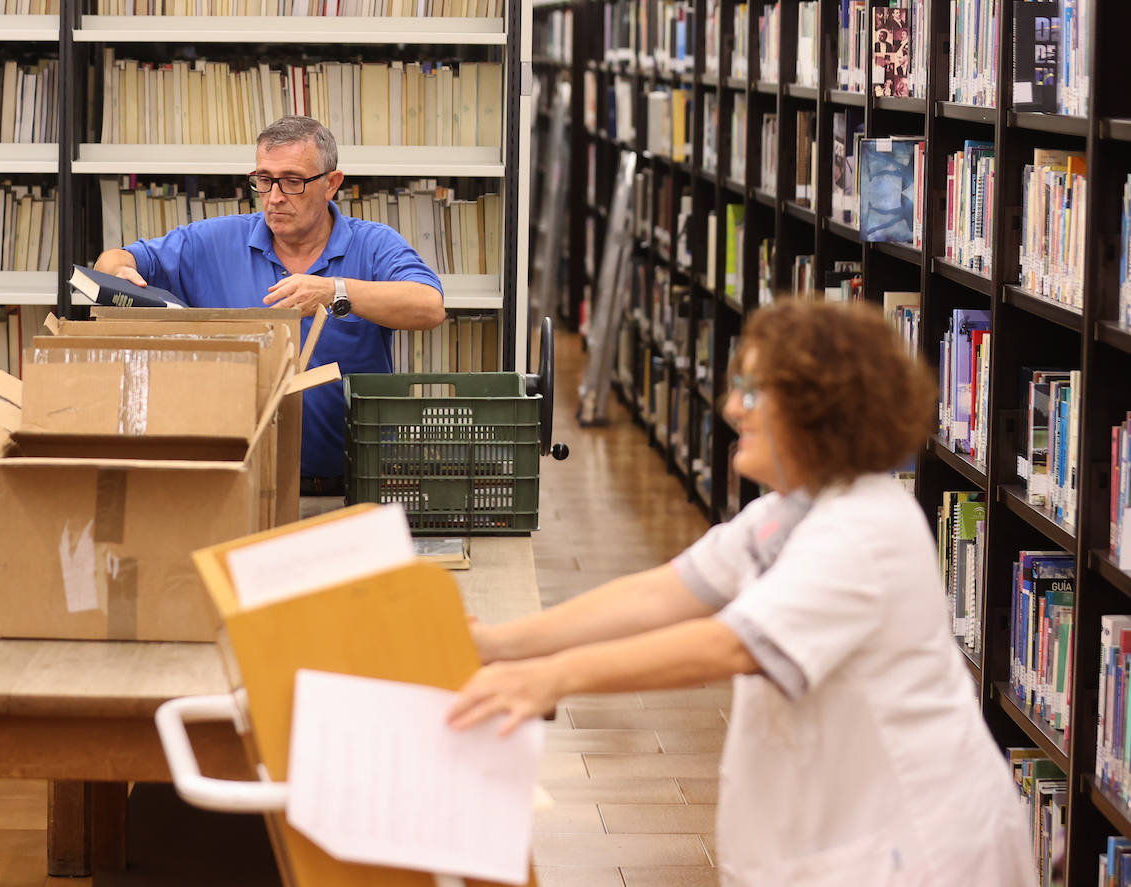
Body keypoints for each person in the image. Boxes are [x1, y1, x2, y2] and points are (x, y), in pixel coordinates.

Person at [448, 300, 1038, 887]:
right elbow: (660, 594)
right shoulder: (788, 512)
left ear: (818, 409)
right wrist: (501, 643)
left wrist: (551, 678)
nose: (733, 408)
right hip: (838, 835)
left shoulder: (865, 531)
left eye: (754, 392)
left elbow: (728, 647)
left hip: (920, 849)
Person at [93, 115, 446, 494]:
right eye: (264, 179)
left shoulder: (374, 244)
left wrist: (335, 292)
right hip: (239, 486)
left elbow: (429, 306)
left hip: (352, 487)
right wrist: (118, 273)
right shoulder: (214, 241)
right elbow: (114, 261)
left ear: (332, 184)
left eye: (293, 181)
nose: (274, 197)